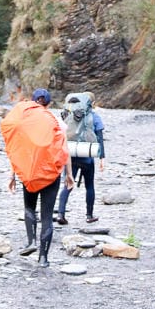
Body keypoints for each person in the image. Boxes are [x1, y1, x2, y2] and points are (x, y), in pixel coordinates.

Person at [1, 89, 73, 268]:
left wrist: (12, 174)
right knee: (47, 215)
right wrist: (69, 175)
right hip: (50, 174)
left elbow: (18, 150)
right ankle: (43, 258)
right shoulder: (56, 121)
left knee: (29, 207)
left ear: (32, 103)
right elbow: (64, 151)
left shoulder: (24, 122)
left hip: (28, 173)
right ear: (48, 104)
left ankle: (31, 241)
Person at [57, 92, 105, 225]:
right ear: (92, 104)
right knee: (89, 186)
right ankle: (89, 215)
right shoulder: (94, 117)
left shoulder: (68, 115)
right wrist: (102, 158)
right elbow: (99, 137)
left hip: (70, 155)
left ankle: (61, 213)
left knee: (68, 184)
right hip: (87, 155)